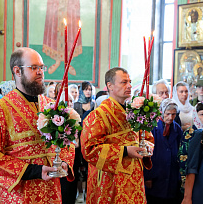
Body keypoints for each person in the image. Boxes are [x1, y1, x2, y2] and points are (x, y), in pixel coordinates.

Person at [0, 47, 75, 203]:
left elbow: (66, 142)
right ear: (17, 71)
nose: (40, 72)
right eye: (34, 67)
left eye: (42, 67)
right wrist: (34, 171)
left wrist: (63, 162)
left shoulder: (52, 106)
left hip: (50, 190)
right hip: (18, 193)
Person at [81, 67, 153, 204]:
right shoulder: (98, 115)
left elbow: (146, 137)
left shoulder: (135, 112)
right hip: (110, 183)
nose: (130, 86)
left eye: (130, 82)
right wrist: (125, 151)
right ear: (110, 86)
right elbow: (89, 150)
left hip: (134, 179)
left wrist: (148, 147)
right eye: (124, 82)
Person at [144, 98, 183, 204]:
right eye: (168, 114)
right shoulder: (152, 127)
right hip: (156, 173)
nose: (170, 117)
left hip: (172, 174)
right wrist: (148, 176)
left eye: (174, 114)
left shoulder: (177, 128)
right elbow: (146, 153)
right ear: (161, 112)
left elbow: (180, 150)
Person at [178, 102, 203, 194]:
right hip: (192, 175)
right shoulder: (190, 133)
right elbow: (183, 157)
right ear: (195, 116)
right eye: (202, 114)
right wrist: (184, 179)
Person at [70, 81, 95, 203]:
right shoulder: (76, 105)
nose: (88, 91)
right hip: (79, 139)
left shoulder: (94, 104)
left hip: (90, 138)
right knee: (79, 166)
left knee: (88, 166)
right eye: (86, 89)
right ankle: (79, 193)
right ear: (82, 91)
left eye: (90, 89)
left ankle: (88, 193)